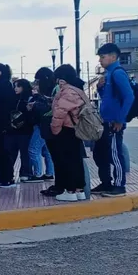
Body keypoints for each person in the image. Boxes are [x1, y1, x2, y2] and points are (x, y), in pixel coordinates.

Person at [94, 43, 134, 197]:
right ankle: (106, 183)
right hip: (105, 121)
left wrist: (120, 120)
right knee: (100, 153)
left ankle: (119, 186)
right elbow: (108, 98)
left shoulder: (117, 73)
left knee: (115, 154)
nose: (100, 60)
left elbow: (129, 96)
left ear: (113, 57)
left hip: (113, 123)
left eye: (102, 57)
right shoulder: (108, 75)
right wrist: (99, 88)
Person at [49, 65, 89, 202]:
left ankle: (70, 191)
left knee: (67, 161)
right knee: (76, 160)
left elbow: (59, 113)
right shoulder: (78, 90)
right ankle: (79, 190)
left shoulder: (67, 92)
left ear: (62, 79)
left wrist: (55, 129)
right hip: (75, 129)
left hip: (66, 129)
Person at [9, 79, 38, 182]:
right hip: (13, 130)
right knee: (12, 152)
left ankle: (25, 173)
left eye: (18, 86)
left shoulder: (30, 99)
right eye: (15, 86)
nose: (16, 88)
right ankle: (9, 173)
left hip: (25, 130)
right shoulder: (13, 98)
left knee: (25, 153)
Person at [30, 68, 56, 181]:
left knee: (32, 149)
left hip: (42, 124)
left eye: (37, 80)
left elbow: (47, 109)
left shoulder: (47, 94)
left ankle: (38, 174)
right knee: (47, 151)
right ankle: (50, 173)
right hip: (47, 124)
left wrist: (34, 105)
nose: (36, 83)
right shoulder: (52, 90)